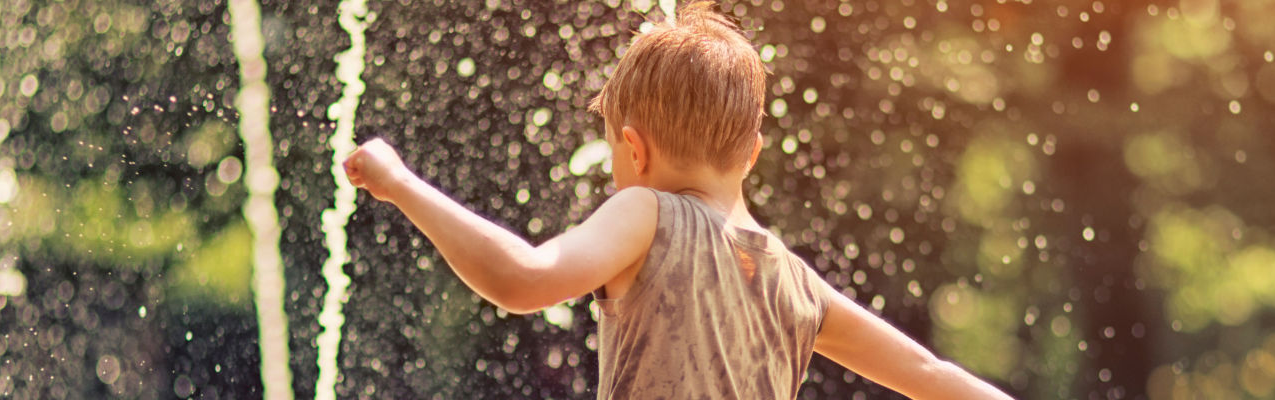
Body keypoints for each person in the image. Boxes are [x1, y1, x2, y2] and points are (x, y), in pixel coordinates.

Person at [339, 2, 1011, 398]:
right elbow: (929, 374)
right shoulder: (794, 280)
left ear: (635, 148)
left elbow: (523, 278)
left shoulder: (647, 214)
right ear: (752, 152)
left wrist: (402, 184)